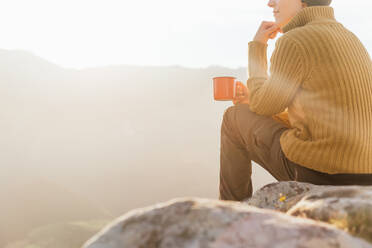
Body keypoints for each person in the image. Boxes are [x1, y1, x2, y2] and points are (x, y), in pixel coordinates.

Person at [219, 0, 372, 201]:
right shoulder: (351, 38)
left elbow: (262, 106)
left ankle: (230, 212)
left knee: (234, 118)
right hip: (364, 175)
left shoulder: (294, 41)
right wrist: (255, 99)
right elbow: (322, 117)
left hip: (321, 174)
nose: (270, 3)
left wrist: (258, 47)